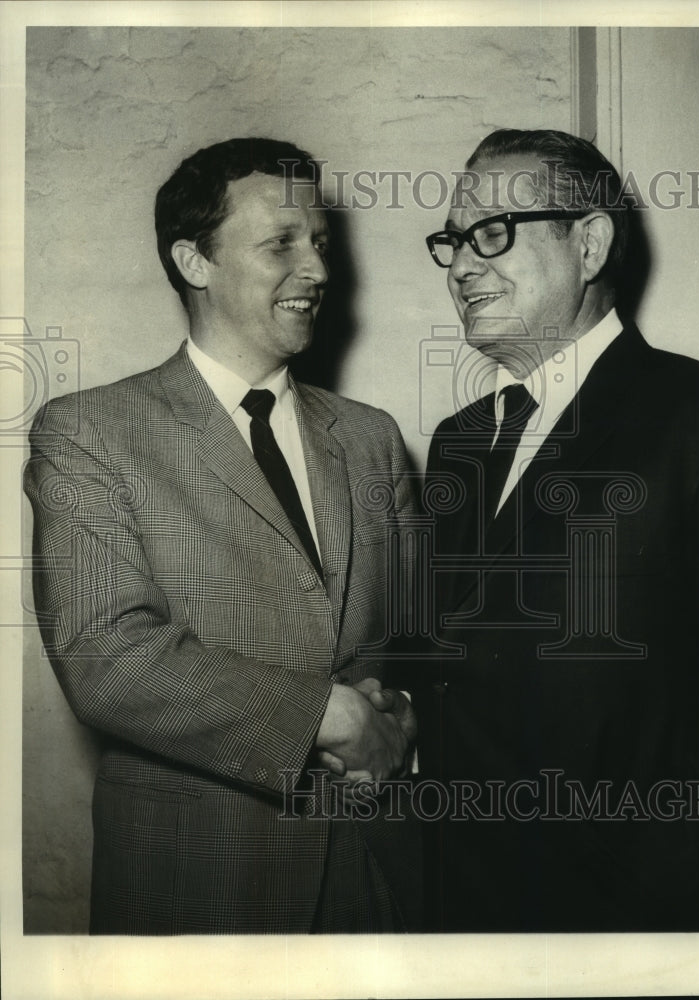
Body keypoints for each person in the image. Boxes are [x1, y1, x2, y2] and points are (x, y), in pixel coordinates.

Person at [24, 137, 420, 934]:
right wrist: (326, 717)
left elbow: (417, 637)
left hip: (369, 884)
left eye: (319, 243)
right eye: (282, 242)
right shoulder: (89, 433)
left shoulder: (372, 438)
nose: (315, 270)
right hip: (197, 888)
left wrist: (403, 720)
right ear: (193, 261)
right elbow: (107, 655)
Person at [415, 128, 699, 932]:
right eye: (452, 242)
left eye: (492, 234)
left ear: (589, 244)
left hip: (643, 916)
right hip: (465, 906)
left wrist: (691, 892)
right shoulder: (458, 442)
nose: (463, 265)